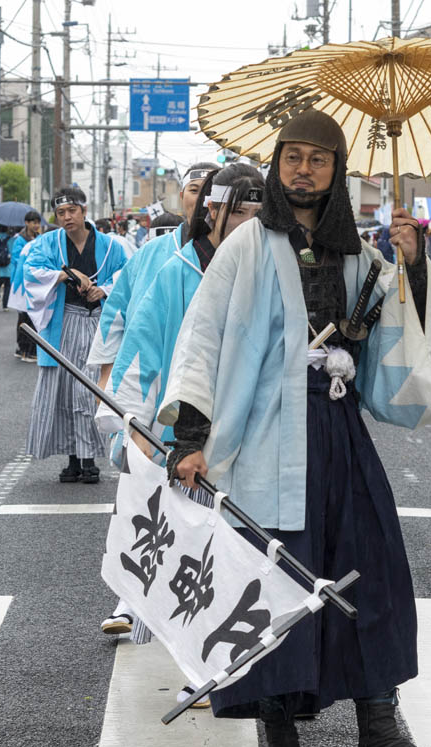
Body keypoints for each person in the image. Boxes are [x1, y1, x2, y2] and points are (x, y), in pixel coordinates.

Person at [160, 110, 431, 747]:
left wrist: (412, 268)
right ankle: (279, 734)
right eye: (293, 157)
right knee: (275, 583)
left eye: (318, 160)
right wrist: (191, 437)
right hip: (264, 434)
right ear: (276, 164)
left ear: (337, 171)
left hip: (336, 433)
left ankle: (380, 729)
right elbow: (202, 337)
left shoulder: (362, 256)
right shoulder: (246, 247)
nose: (303, 170)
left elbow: (391, 353)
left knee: (370, 571)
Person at [96, 163, 263, 696]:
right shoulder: (173, 268)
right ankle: (192, 660)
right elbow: (143, 347)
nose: (248, 221)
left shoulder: (271, 266)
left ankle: (236, 667)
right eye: (238, 209)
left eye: (259, 211)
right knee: (185, 545)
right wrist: (136, 426)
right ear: (210, 209)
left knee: (236, 547)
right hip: (179, 427)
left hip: (247, 428)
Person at [21, 187, 128, 484]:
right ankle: (72, 458)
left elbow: (126, 276)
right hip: (64, 321)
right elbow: (31, 271)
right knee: (64, 389)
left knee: (91, 389)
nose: (67, 217)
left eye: (72, 211)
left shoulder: (111, 246)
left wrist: (103, 288)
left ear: (83, 211)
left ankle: (89, 458)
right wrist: (67, 274)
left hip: (97, 322)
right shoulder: (48, 244)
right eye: (60, 213)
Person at [86, 163, 214, 383]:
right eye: (194, 190)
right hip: (154, 370)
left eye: (210, 191)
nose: (202, 198)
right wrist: (107, 372)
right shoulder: (150, 252)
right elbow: (116, 311)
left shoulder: (237, 250)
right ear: (182, 196)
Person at [6, 211, 44, 361]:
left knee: (30, 317)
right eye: (33, 222)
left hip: (34, 283)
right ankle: (25, 349)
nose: (36, 225)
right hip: (22, 283)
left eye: (37, 222)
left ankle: (24, 348)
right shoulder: (20, 240)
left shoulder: (39, 238)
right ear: (26, 223)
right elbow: (16, 262)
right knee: (24, 317)